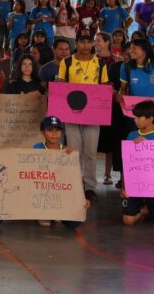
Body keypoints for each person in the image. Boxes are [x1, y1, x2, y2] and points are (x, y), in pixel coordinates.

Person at [55, 31, 110, 201]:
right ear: (76, 43)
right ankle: (74, 183)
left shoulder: (100, 64)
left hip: (93, 115)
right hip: (72, 114)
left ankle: (90, 186)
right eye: (82, 41)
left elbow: (104, 85)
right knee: (74, 151)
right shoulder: (67, 62)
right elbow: (61, 85)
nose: (85, 45)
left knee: (91, 151)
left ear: (92, 44)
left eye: (88, 42)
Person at [121, 100, 154, 227]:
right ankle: (144, 211)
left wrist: (149, 146)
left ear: (150, 119)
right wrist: (124, 186)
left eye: (139, 117)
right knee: (128, 220)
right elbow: (126, 164)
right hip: (137, 185)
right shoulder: (131, 135)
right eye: (135, 117)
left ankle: (149, 208)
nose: (135, 120)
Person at [32, 116, 85, 229]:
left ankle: (58, 211)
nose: (54, 133)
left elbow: (73, 177)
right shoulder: (36, 148)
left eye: (57, 130)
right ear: (42, 132)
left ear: (61, 132)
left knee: (75, 223)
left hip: (59, 190)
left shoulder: (66, 150)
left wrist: (82, 197)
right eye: (50, 130)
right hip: (42, 189)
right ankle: (43, 213)